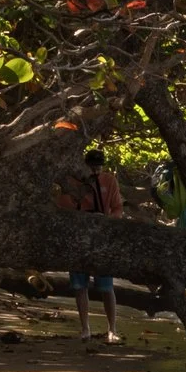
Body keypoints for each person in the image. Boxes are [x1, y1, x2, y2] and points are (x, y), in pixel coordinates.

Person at [61, 147, 123, 343]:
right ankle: (85, 327)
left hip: (102, 236)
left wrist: (106, 220)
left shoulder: (109, 180)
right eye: (92, 167)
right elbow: (64, 206)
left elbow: (118, 208)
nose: (96, 170)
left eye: (98, 167)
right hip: (79, 235)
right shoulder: (73, 182)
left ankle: (112, 329)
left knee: (106, 286)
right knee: (80, 285)